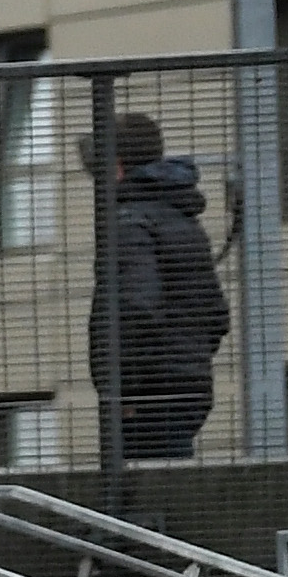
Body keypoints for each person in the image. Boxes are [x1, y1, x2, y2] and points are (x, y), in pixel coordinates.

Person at [95, 112, 229, 462]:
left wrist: (125, 392)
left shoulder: (129, 222)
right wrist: (188, 359)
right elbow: (216, 314)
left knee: (139, 500)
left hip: (148, 394)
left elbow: (136, 308)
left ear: (117, 165)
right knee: (167, 486)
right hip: (189, 386)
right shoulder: (182, 219)